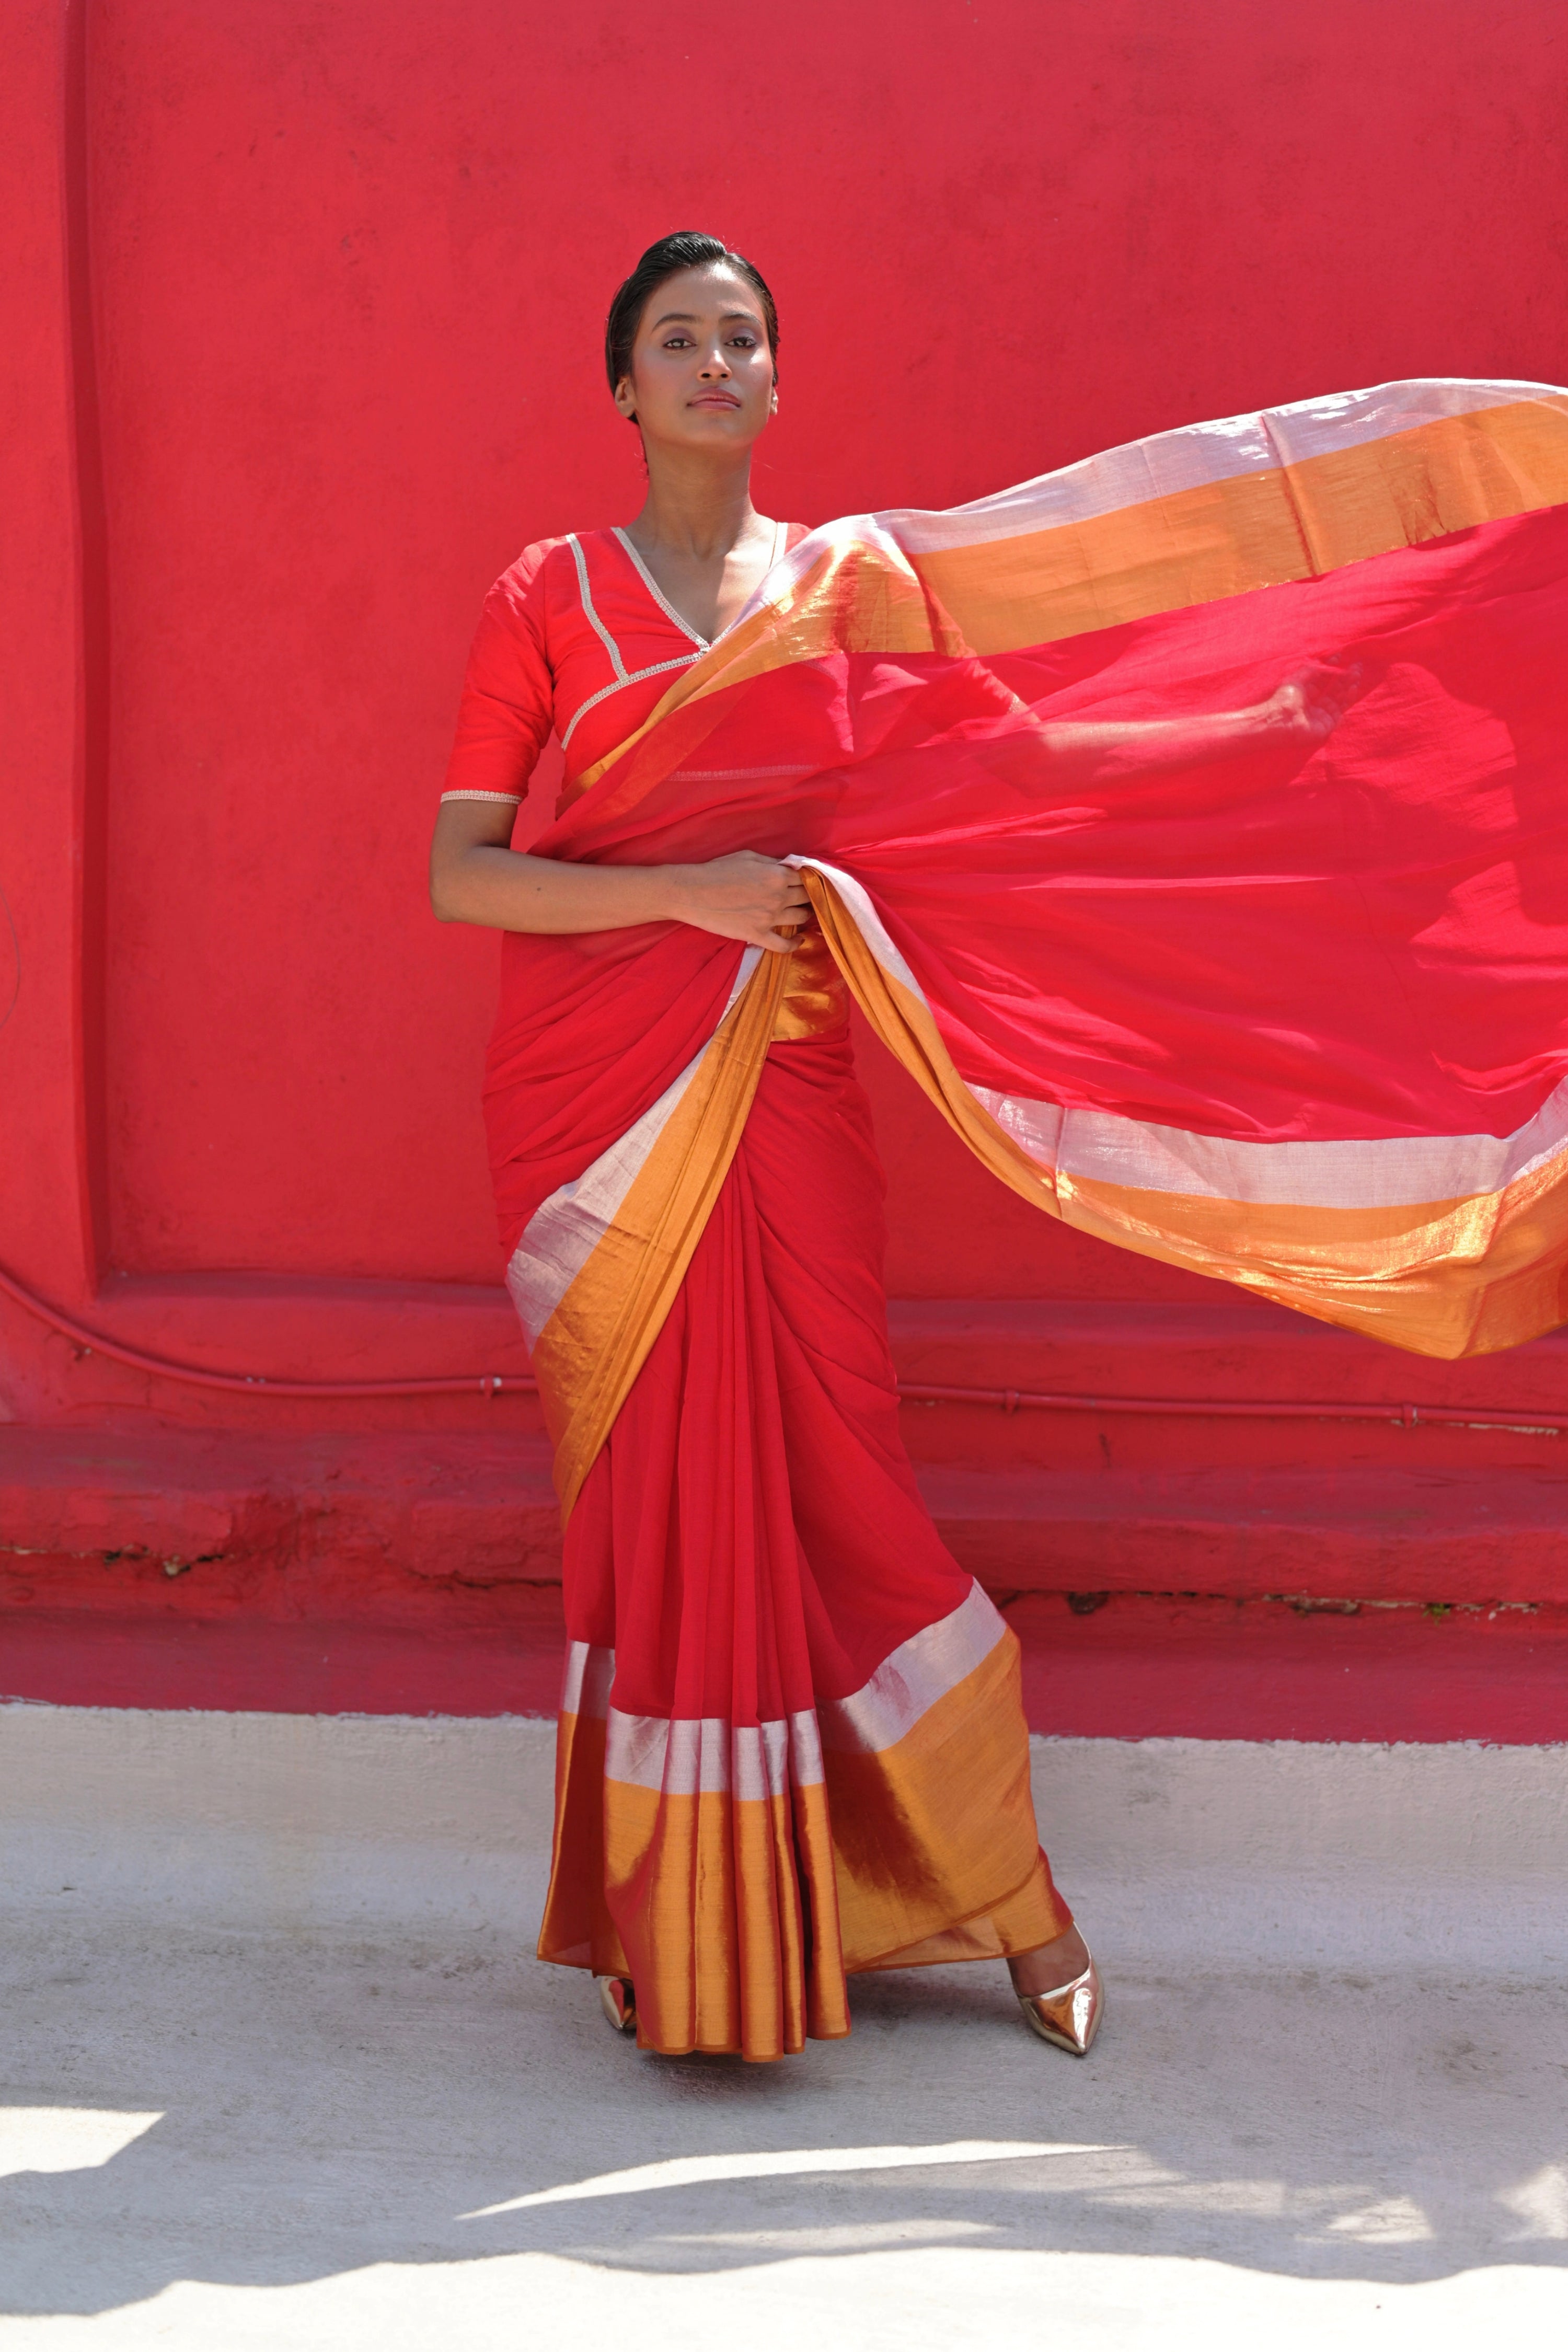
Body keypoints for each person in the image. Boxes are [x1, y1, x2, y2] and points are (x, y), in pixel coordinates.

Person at [429, 233, 1361, 2062]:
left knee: (844, 1480)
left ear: (778, 380)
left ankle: (1009, 1896)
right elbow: (463, 873)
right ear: (622, 387)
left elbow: (1009, 765)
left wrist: (1248, 730)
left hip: (786, 1089)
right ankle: (678, 1921)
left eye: (743, 338)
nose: (714, 363)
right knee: (656, 1512)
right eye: (678, 341)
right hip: (599, 1111)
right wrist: (693, 890)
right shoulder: (545, 594)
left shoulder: (839, 592)